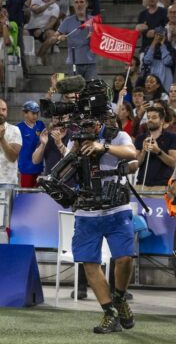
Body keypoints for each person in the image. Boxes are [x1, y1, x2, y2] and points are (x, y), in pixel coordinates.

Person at [65, 117, 137, 333]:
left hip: (116, 208)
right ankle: (110, 313)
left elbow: (133, 154)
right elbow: (66, 168)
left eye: (92, 123)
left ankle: (120, 298)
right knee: (90, 263)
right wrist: (76, 150)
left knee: (124, 258)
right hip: (87, 210)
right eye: (84, 124)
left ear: (100, 122)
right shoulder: (74, 140)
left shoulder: (118, 135)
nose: (89, 128)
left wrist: (102, 146)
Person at [53, 0, 98, 81]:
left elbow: (101, 38)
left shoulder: (94, 20)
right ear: (73, 5)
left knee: (91, 91)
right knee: (74, 91)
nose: (79, 5)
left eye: (81, 2)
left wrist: (94, 36)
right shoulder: (67, 21)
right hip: (73, 63)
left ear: (86, 4)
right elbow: (55, 36)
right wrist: (59, 37)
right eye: (76, 2)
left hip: (90, 62)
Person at [134, 107, 176, 190]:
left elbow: (173, 163)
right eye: (148, 117)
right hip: (141, 185)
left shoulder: (172, 137)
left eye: (154, 117)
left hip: (163, 187)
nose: (150, 120)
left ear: (162, 121)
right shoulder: (140, 138)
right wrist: (143, 151)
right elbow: (135, 165)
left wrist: (158, 151)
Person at [17, 101, 46, 188]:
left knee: (36, 196)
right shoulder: (19, 128)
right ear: (25, 113)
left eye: (37, 113)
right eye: (33, 113)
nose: (35, 116)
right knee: (25, 195)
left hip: (38, 168)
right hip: (25, 169)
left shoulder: (40, 125)